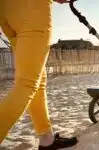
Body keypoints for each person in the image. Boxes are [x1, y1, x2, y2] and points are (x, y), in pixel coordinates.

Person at [0, 0, 78, 149]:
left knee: (36, 80)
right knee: (26, 84)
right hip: (32, 10)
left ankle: (46, 139)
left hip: (6, 11)